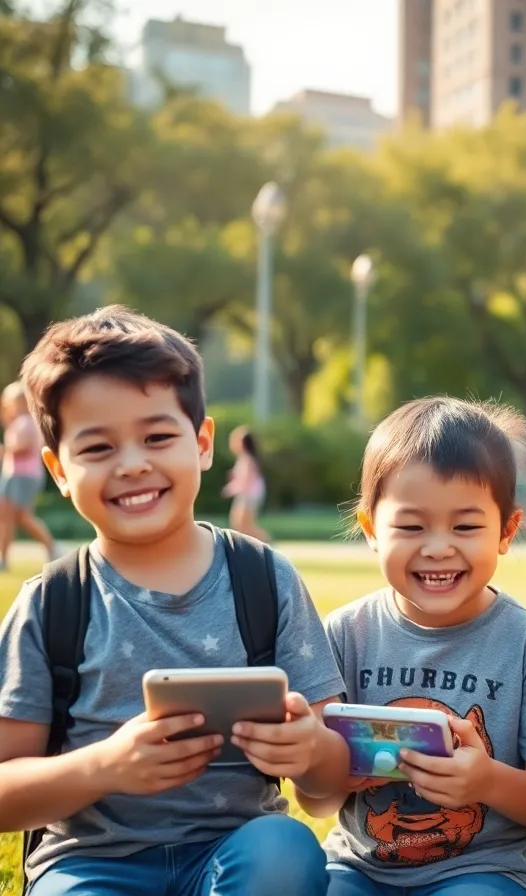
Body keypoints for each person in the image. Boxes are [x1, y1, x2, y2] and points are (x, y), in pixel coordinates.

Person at [0, 305, 349, 896]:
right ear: (58, 471)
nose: (133, 464)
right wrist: (103, 766)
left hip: (237, 852)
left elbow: (329, 788)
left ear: (203, 442)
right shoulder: (53, 603)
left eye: (158, 436)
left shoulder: (263, 580)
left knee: (285, 851)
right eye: (98, 448)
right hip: (91, 864)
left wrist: (311, 748)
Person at [297, 396, 526, 896]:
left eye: (466, 526)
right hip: (360, 868)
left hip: (488, 872)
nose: (437, 547)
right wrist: (336, 772)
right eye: (410, 526)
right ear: (371, 530)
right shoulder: (344, 633)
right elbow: (315, 800)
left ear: (506, 531)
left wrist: (486, 781)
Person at [0, 381, 58, 569]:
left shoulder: (27, 423)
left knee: (22, 516)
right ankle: (3, 558)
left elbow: (21, 448)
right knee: (6, 517)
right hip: (14, 474)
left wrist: (5, 449)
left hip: (24, 475)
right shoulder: (18, 423)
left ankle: (53, 547)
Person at [223, 425, 270, 544]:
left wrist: (231, 489)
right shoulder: (244, 459)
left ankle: (268, 545)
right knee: (240, 524)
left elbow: (246, 482)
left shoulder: (247, 460)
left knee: (245, 525)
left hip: (249, 496)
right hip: (247, 495)